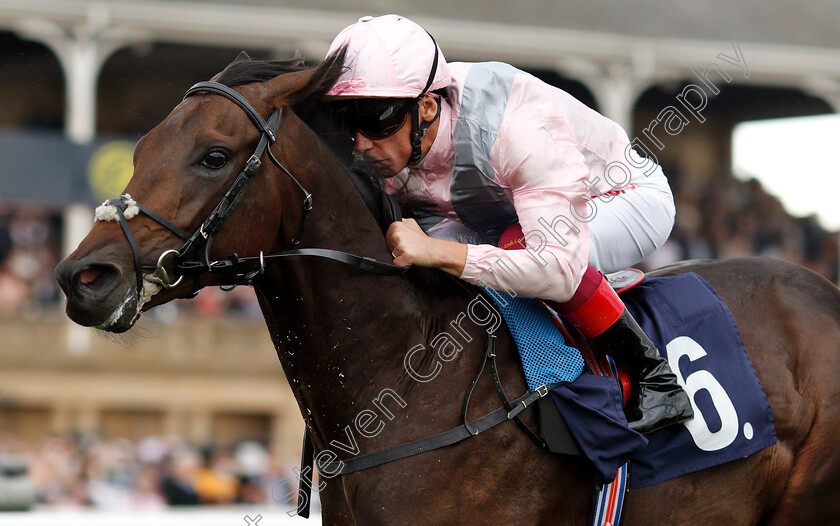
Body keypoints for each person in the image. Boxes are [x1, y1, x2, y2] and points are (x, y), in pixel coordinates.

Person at [325, 14, 692, 434]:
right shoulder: (398, 132)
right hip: (497, 212)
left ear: (427, 105)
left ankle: (654, 378)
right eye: (347, 120)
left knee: (511, 246)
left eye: (376, 118)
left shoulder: (516, 128)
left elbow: (556, 267)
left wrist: (440, 251)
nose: (361, 141)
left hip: (617, 198)